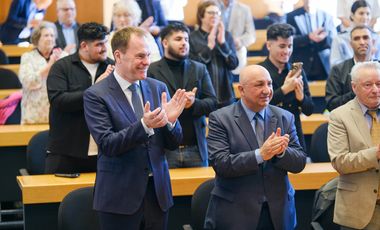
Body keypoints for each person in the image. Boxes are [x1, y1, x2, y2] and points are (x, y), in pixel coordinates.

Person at [83, 26, 187, 230]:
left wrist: (170, 122)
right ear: (118, 56)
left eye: (148, 55)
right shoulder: (96, 95)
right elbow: (108, 144)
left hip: (157, 195)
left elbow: (174, 144)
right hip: (119, 197)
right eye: (140, 56)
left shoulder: (158, 88)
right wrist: (144, 125)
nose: (147, 62)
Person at [204, 65, 307, 230]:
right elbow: (221, 164)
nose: (267, 90)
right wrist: (260, 154)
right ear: (241, 90)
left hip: (278, 212)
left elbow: (300, 161)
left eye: (270, 84)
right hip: (237, 213)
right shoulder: (220, 118)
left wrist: (281, 153)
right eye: (259, 85)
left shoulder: (285, 117)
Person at [46, 22, 114, 174]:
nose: (104, 48)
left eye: (106, 43)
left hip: (105, 150)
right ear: (84, 46)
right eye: (99, 44)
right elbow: (58, 101)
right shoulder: (62, 67)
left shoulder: (112, 67)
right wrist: (94, 89)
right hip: (67, 150)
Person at [148, 22, 217, 168]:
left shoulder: (199, 68)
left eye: (186, 39)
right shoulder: (152, 70)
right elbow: (146, 105)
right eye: (178, 39)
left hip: (196, 147)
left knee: (200, 190)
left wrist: (193, 104)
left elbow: (212, 103)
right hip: (165, 148)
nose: (184, 43)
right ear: (165, 42)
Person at [328, 61, 380, 229]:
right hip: (359, 212)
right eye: (368, 85)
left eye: (379, 84)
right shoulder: (339, 116)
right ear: (354, 87)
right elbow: (340, 162)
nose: (375, 89)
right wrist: (376, 154)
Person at [259, 23, 314, 151]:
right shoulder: (259, 71)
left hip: (294, 134)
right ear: (269, 45)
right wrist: (284, 90)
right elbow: (258, 105)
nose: (287, 51)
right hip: (266, 135)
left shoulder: (298, 71)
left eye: (290, 46)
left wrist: (301, 98)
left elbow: (309, 110)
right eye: (282, 46)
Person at [190, 0, 238, 108]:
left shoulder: (226, 36)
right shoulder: (192, 38)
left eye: (217, 13)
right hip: (203, 97)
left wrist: (223, 43)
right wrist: (209, 46)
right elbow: (193, 66)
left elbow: (233, 64)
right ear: (201, 16)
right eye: (211, 12)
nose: (214, 15)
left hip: (226, 95)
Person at [19, 21, 66, 124]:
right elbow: (28, 82)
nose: (50, 38)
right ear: (37, 38)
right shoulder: (28, 57)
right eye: (46, 35)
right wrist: (50, 65)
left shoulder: (64, 57)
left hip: (59, 115)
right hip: (33, 116)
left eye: (52, 35)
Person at [326, 25, 374, 112]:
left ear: (373, 42)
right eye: (357, 38)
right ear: (350, 44)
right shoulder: (338, 70)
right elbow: (331, 104)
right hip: (347, 121)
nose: (362, 42)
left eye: (365, 37)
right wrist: (355, 92)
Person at [286, 0, 336, 81]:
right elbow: (289, 40)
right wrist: (308, 37)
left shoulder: (327, 16)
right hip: (299, 64)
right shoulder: (291, 16)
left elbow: (333, 40)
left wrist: (324, 38)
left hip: (322, 65)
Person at [330, 0, 380, 66]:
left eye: (368, 14)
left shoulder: (376, 38)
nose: (365, 17)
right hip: (347, 74)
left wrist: (371, 56)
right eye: (361, 13)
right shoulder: (339, 39)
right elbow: (334, 65)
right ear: (352, 16)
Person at [218, 0, 256, 75]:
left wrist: (240, 41)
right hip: (217, 52)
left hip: (237, 51)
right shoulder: (211, 6)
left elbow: (251, 35)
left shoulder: (244, 9)